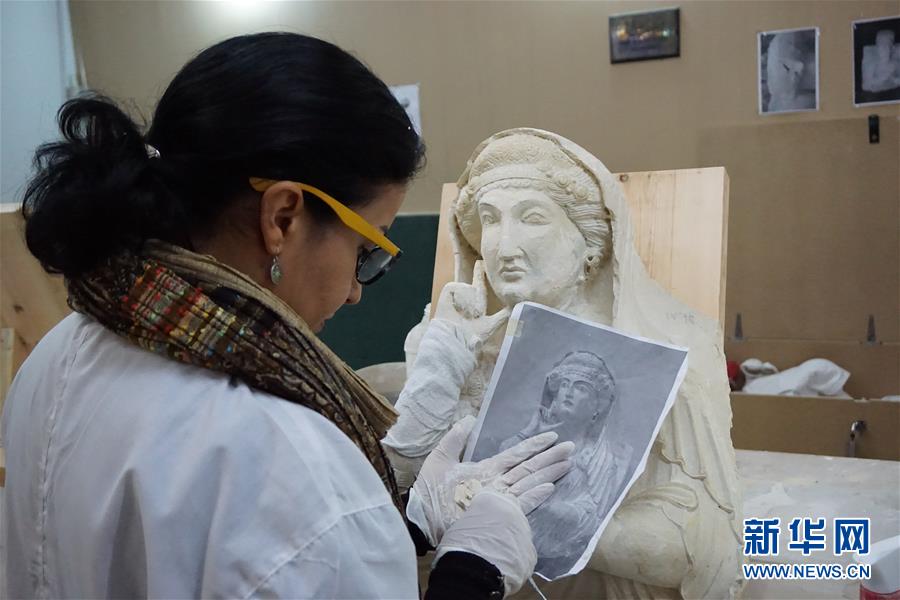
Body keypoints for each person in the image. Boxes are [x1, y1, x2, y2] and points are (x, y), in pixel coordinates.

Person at [1, 34, 573, 599]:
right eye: (366, 249)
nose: (355, 291)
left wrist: (410, 525)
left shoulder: (58, 353)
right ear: (282, 217)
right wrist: (471, 575)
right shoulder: (290, 464)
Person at [394, 129, 744, 599]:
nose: (503, 245)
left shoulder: (674, 346)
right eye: (490, 220)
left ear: (590, 242)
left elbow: (704, 545)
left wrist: (536, 518)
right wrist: (438, 365)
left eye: (532, 218)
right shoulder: (447, 341)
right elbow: (401, 494)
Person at [499, 351, 633, 579]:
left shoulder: (607, 461)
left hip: (549, 560)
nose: (568, 392)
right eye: (564, 385)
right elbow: (497, 469)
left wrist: (549, 507)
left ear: (597, 407)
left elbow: (590, 518)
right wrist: (529, 433)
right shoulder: (535, 435)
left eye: (581, 388)